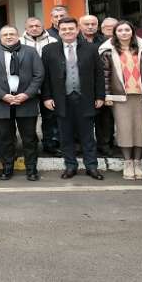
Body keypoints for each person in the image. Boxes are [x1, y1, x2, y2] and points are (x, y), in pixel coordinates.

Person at [41, 17, 106, 180]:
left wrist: (100, 96)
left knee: (87, 136)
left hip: (86, 98)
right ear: (59, 31)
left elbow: (99, 74)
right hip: (61, 99)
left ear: (77, 30)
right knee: (65, 135)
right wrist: (47, 97)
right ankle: (70, 166)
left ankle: (91, 166)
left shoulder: (91, 49)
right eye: (64, 29)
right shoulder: (49, 50)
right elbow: (45, 77)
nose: (67, 32)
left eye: (71, 28)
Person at [0, 26, 44, 181]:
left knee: (29, 138)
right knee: (5, 139)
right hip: (2, 103)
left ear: (18, 36)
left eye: (12, 34)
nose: (9, 37)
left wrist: (27, 94)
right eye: (5, 34)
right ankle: (7, 168)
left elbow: (39, 75)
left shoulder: (30, 52)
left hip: (26, 102)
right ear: (0, 37)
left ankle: (31, 170)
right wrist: (3, 95)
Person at [99, 20, 142, 180]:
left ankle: (137, 161)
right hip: (120, 97)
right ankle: (127, 162)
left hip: (141, 96)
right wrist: (107, 95)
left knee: (141, 130)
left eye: (127, 30)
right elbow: (105, 76)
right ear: (115, 33)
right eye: (120, 30)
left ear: (132, 32)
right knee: (124, 130)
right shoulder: (108, 51)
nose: (124, 33)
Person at [21, 16, 61, 156]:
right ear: (26, 28)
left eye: (37, 25)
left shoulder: (53, 41)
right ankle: (31, 146)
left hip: (48, 85)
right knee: (28, 119)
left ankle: (50, 144)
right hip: (27, 88)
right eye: (31, 26)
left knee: (50, 117)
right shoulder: (19, 42)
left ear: (42, 26)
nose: (34, 28)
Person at [97, 17, 118, 155]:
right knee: (105, 119)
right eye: (107, 27)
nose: (110, 29)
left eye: (113, 27)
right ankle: (105, 144)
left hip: (123, 87)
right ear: (102, 29)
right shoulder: (99, 43)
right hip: (104, 86)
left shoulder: (126, 41)